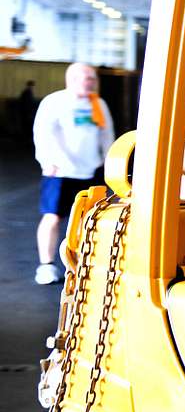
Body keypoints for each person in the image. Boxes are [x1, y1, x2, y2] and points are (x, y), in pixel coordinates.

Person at [33, 63, 114, 285]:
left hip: (92, 171)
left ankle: (80, 265)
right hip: (60, 171)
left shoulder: (98, 104)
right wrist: (47, 161)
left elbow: (107, 135)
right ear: (72, 79)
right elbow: (42, 133)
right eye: (87, 78)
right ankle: (46, 266)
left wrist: (110, 163)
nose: (91, 82)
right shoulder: (54, 102)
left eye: (93, 78)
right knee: (52, 217)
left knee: (89, 220)